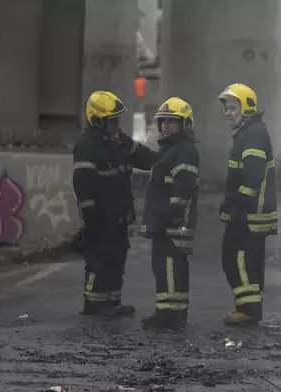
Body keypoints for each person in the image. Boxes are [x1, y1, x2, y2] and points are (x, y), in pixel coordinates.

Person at [72, 91, 156, 317]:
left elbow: (147, 159)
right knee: (99, 259)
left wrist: (161, 158)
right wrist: (90, 215)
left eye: (117, 119)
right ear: (96, 119)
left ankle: (112, 302)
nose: (115, 124)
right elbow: (82, 183)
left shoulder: (118, 141)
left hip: (119, 215)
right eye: (111, 120)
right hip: (100, 216)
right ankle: (93, 304)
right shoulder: (88, 145)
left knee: (117, 258)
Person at [217, 83, 278, 325]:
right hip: (252, 212)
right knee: (246, 259)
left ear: (247, 109)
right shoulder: (248, 132)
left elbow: (251, 178)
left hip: (250, 213)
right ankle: (249, 306)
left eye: (232, 108)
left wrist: (236, 208)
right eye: (226, 108)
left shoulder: (252, 135)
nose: (227, 113)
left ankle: (249, 310)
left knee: (236, 257)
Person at [140, 97, 200, 329]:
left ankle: (169, 315)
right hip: (166, 221)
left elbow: (184, 184)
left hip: (172, 223)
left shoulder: (183, 150)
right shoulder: (171, 150)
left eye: (172, 122)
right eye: (163, 121)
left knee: (168, 266)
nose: (165, 125)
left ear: (184, 124)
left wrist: (173, 213)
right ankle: (172, 312)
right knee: (168, 266)